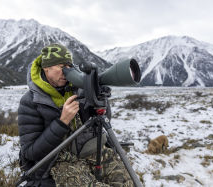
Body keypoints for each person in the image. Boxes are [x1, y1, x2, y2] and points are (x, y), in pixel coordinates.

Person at [18, 43, 133, 187]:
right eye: (61, 67)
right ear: (46, 68)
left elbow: (102, 121)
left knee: (127, 182)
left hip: (88, 149)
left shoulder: (79, 90)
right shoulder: (31, 101)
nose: (66, 73)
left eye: (69, 67)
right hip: (57, 160)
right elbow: (30, 153)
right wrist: (62, 122)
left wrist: (100, 98)